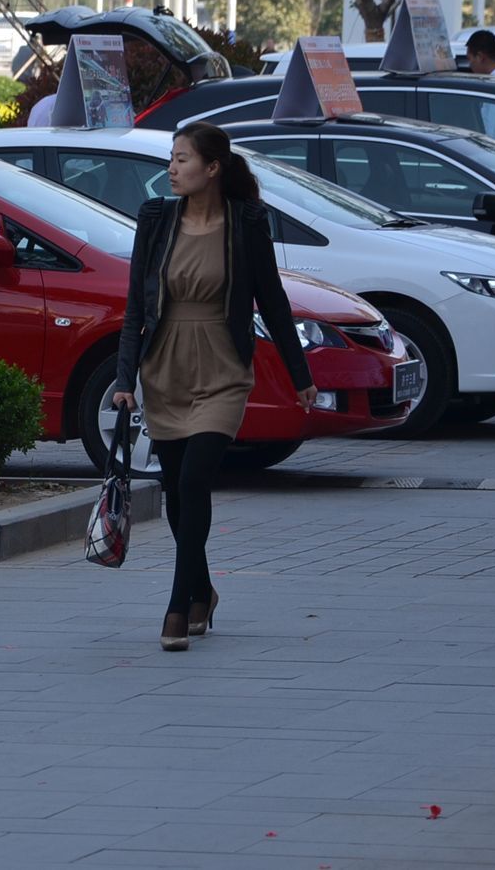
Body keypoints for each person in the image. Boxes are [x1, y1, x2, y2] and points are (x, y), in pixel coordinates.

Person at [112, 122, 316, 652]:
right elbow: (137, 304)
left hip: (223, 367)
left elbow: (271, 299)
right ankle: (203, 588)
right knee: (177, 491)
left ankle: (178, 606)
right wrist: (124, 377)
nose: (172, 169)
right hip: (166, 366)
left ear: (212, 168)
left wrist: (301, 377)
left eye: (182, 160)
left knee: (195, 482)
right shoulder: (157, 218)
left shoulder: (246, 222)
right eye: (172, 158)